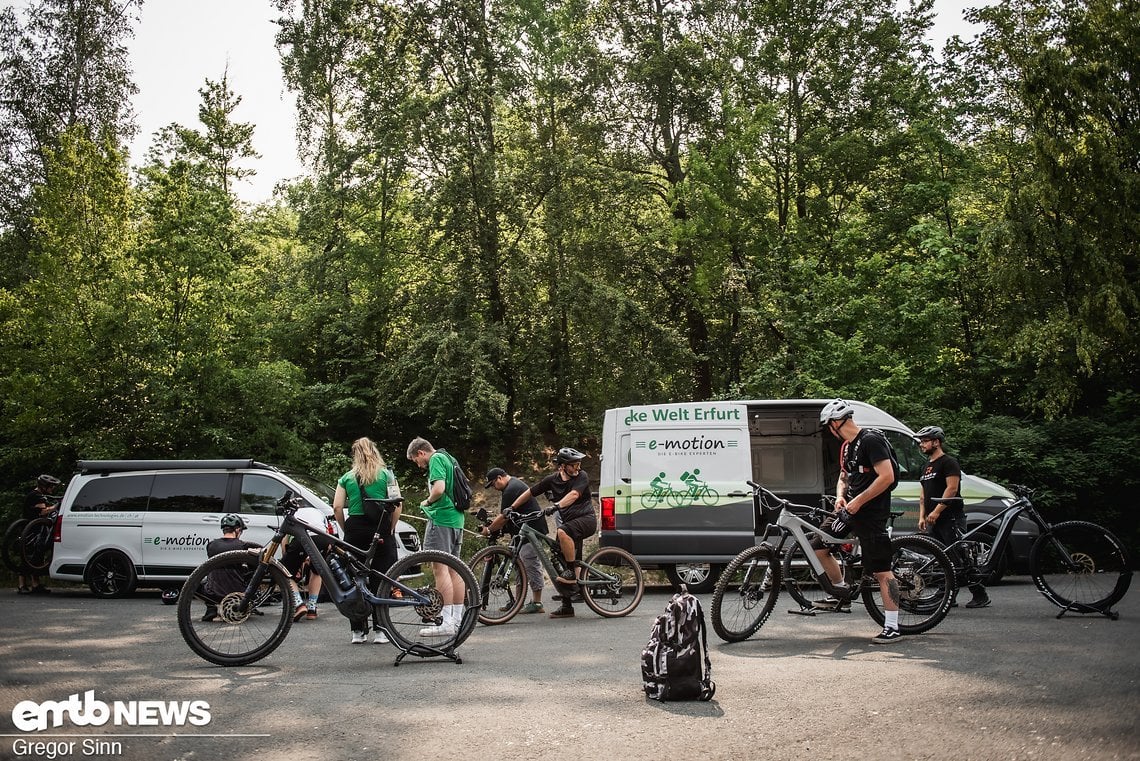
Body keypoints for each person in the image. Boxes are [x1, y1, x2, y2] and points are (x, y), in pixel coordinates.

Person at [816, 399, 903, 644]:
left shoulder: (871, 440)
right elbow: (844, 477)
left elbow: (887, 477)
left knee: (882, 571)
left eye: (828, 426)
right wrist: (842, 497)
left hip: (872, 513)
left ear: (836, 423)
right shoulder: (847, 447)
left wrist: (860, 501)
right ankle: (841, 592)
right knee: (819, 545)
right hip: (851, 510)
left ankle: (892, 626)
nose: (829, 431)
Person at [501, 447, 596, 620]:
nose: (578, 467)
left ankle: (570, 571)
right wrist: (512, 507)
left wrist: (557, 505)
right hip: (569, 524)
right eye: (574, 465)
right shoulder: (551, 480)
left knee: (562, 532)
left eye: (578, 464)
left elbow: (574, 494)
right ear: (562, 466)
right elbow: (529, 493)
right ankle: (567, 606)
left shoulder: (582, 477)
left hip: (586, 519)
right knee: (557, 556)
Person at [335, 437, 402, 644]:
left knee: (355, 578)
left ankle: (357, 631)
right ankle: (381, 631)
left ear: (355, 455)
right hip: (380, 527)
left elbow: (337, 507)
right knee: (381, 578)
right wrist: (390, 527)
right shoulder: (386, 475)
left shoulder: (347, 477)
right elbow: (397, 503)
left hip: (355, 528)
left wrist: (347, 528)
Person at [916, 425, 990, 609]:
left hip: (950, 517)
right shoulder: (927, 466)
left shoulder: (949, 462)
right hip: (933, 519)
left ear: (936, 442)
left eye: (925, 441)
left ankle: (980, 594)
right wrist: (922, 516)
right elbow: (923, 493)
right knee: (941, 558)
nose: (921, 444)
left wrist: (937, 511)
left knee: (958, 557)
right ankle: (948, 595)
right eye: (921, 441)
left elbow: (951, 489)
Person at [406, 437, 467, 636]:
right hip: (457, 519)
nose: (418, 464)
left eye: (416, 459)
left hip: (441, 519)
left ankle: (446, 621)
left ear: (421, 453)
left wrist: (427, 501)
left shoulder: (435, 460)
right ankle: (457, 619)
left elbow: (439, 488)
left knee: (439, 569)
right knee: (454, 570)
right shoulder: (448, 457)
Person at [201, 514, 308, 623]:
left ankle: (211, 608)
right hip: (239, 593)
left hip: (213, 594)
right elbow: (261, 556)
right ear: (237, 529)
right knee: (254, 571)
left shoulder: (211, 545)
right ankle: (250, 603)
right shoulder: (243, 545)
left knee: (208, 577)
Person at [482, 467, 548, 614]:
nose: (493, 488)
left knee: (530, 563)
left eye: (493, 484)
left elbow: (504, 517)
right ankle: (517, 602)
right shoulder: (511, 487)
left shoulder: (512, 489)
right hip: (520, 532)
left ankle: (537, 602)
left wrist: (489, 530)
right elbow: (507, 516)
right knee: (517, 565)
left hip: (532, 530)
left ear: (499, 478)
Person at [18, 474, 61, 594]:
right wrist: (56, 506)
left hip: (36, 529)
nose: (52, 489)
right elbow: (43, 512)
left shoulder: (38, 495)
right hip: (31, 530)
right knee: (28, 557)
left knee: (37, 557)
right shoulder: (36, 496)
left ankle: (35, 585)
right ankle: (21, 586)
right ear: (44, 486)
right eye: (51, 487)